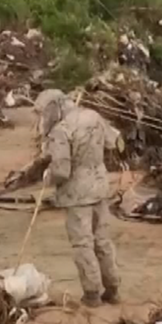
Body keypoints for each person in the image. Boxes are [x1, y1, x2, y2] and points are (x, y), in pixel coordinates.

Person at [35, 89, 121, 307]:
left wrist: (47, 176)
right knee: (103, 241)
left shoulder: (61, 130)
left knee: (83, 244)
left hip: (77, 194)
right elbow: (113, 142)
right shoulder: (93, 116)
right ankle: (113, 288)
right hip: (100, 186)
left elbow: (62, 170)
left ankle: (92, 293)